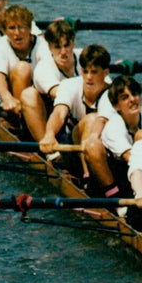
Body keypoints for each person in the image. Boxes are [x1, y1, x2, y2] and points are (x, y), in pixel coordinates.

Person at [39, 45, 115, 188]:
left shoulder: (113, 94)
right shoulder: (69, 85)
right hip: (72, 149)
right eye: (85, 71)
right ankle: (88, 180)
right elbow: (59, 113)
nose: (88, 77)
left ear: (106, 73)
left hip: (101, 151)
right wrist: (49, 134)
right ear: (80, 71)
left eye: (94, 72)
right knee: (91, 119)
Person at [20, 20, 80, 142]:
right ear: (49, 47)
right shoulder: (44, 68)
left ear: (74, 43)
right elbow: (62, 95)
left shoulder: (85, 58)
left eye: (67, 45)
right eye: (57, 47)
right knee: (28, 94)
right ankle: (48, 150)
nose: (63, 52)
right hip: (51, 118)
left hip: (74, 114)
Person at [0, 4, 52, 117]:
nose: (17, 33)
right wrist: (6, 97)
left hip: (38, 96)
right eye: (12, 28)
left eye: (22, 27)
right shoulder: (0, 46)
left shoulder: (43, 45)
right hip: (12, 99)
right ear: (4, 31)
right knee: (22, 68)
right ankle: (19, 119)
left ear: (30, 28)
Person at [100, 75, 142, 195]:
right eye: (125, 97)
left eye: (135, 94)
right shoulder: (113, 126)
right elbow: (130, 157)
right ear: (116, 106)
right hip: (120, 174)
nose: (132, 99)